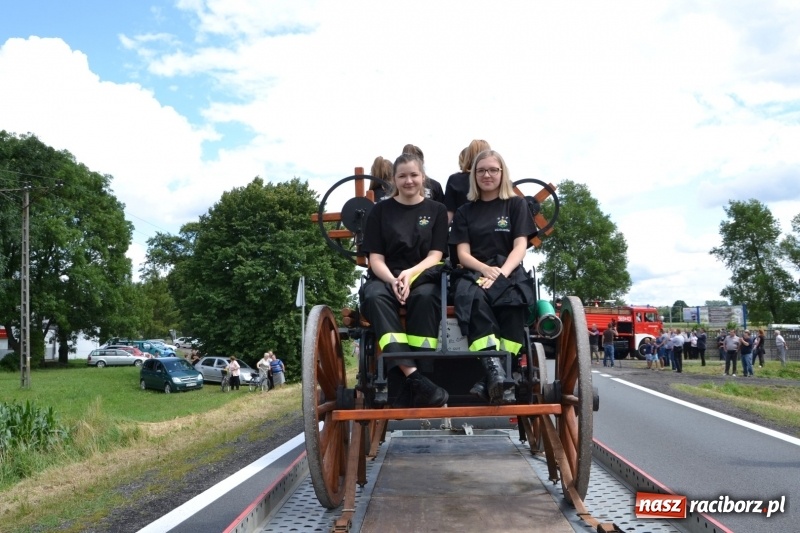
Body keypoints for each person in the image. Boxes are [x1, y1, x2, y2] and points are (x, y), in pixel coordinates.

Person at [360, 152, 449, 408]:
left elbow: (436, 256)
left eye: (414, 175)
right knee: (375, 296)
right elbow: (375, 259)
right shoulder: (379, 211)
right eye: (402, 176)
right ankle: (414, 377)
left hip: (424, 274)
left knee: (425, 296)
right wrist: (392, 280)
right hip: (386, 275)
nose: (408, 181)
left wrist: (409, 275)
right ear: (394, 180)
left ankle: (423, 371)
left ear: (423, 177)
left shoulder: (437, 210)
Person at [450, 149, 536, 403]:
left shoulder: (516, 204)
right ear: (474, 175)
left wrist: (501, 273)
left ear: (502, 173)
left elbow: (520, 245)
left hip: (508, 269)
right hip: (475, 271)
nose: (487, 175)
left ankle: (498, 374)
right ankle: (496, 371)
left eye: (493, 170)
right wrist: (485, 270)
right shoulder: (465, 211)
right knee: (474, 298)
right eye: (481, 170)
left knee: (514, 302)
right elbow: (462, 254)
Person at [443, 139, 491, 223]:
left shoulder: (455, 179)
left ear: (468, 155)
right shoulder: (491, 179)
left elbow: (449, 213)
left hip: (462, 228)